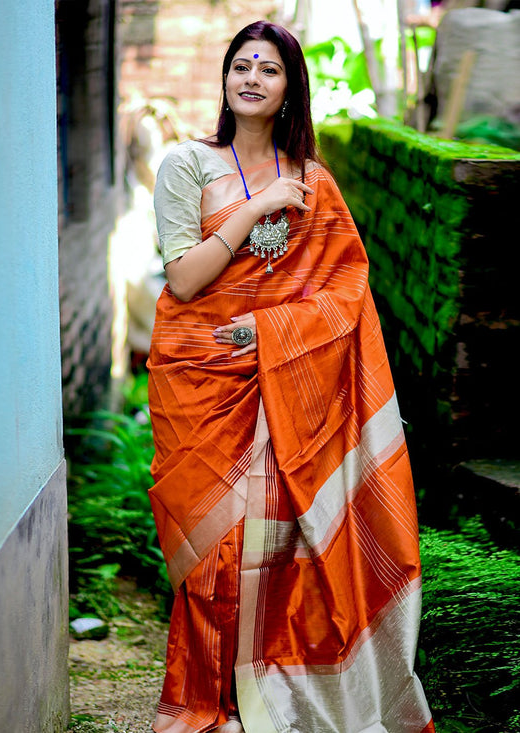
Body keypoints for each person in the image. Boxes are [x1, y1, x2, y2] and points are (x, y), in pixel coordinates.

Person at [148, 20, 434, 733]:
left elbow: (344, 293)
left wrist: (269, 332)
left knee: (274, 545)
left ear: (287, 89)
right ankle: (207, 698)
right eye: (239, 64)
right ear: (224, 80)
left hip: (284, 386)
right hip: (201, 377)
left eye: (267, 69)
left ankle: (272, 694)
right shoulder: (187, 163)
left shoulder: (313, 182)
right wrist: (253, 208)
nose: (250, 77)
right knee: (212, 550)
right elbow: (183, 280)